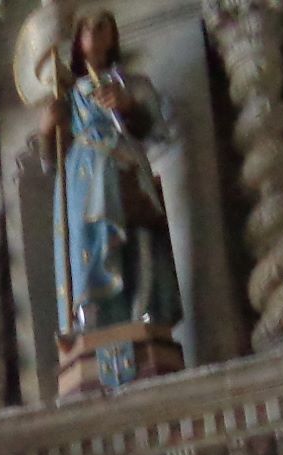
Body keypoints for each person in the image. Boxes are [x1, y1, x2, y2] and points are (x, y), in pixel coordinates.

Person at [41, 12, 183, 345]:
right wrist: (48, 128)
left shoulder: (132, 84)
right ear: (76, 40)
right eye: (86, 27)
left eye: (101, 25)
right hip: (84, 178)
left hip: (124, 169)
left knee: (139, 239)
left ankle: (144, 313)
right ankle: (90, 323)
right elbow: (51, 159)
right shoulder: (67, 96)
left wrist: (128, 106)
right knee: (88, 245)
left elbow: (155, 130)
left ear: (113, 37)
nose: (93, 32)